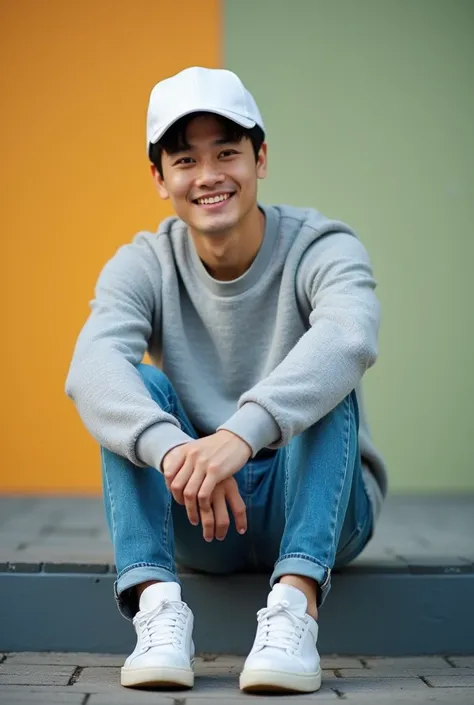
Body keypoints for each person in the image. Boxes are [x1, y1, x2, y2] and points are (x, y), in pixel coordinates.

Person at [66, 66, 387, 695]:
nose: (209, 175)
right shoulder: (143, 264)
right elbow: (91, 369)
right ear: (160, 179)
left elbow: (350, 335)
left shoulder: (322, 245)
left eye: (228, 152)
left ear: (260, 158)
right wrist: (175, 449)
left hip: (323, 503)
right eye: (185, 159)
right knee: (134, 388)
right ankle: (158, 609)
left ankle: (295, 609)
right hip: (200, 507)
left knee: (326, 371)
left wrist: (241, 434)